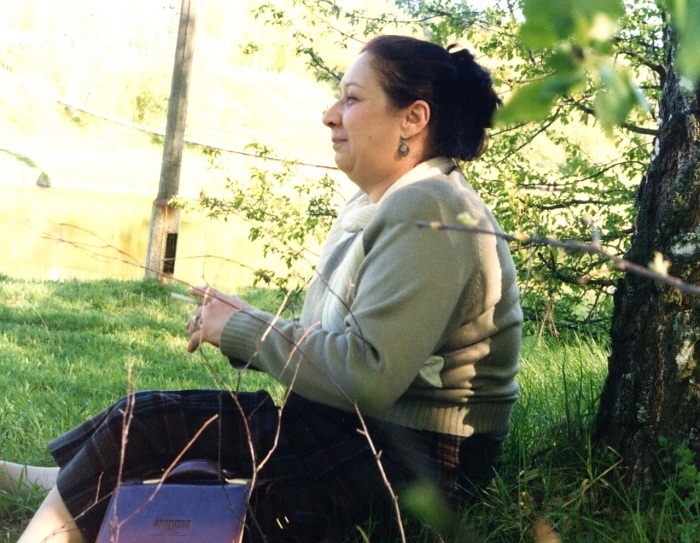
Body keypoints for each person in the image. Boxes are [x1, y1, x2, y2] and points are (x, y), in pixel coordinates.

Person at [1, 34, 522, 542]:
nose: (330, 115)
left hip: (416, 466)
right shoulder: (384, 202)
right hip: (365, 436)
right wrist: (244, 319)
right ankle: (61, 487)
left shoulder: (429, 206)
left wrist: (246, 330)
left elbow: (368, 375)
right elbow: (338, 342)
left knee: (152, 422)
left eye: (352, 98)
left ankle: (53, 518)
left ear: (413, 117)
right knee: (145, 423)